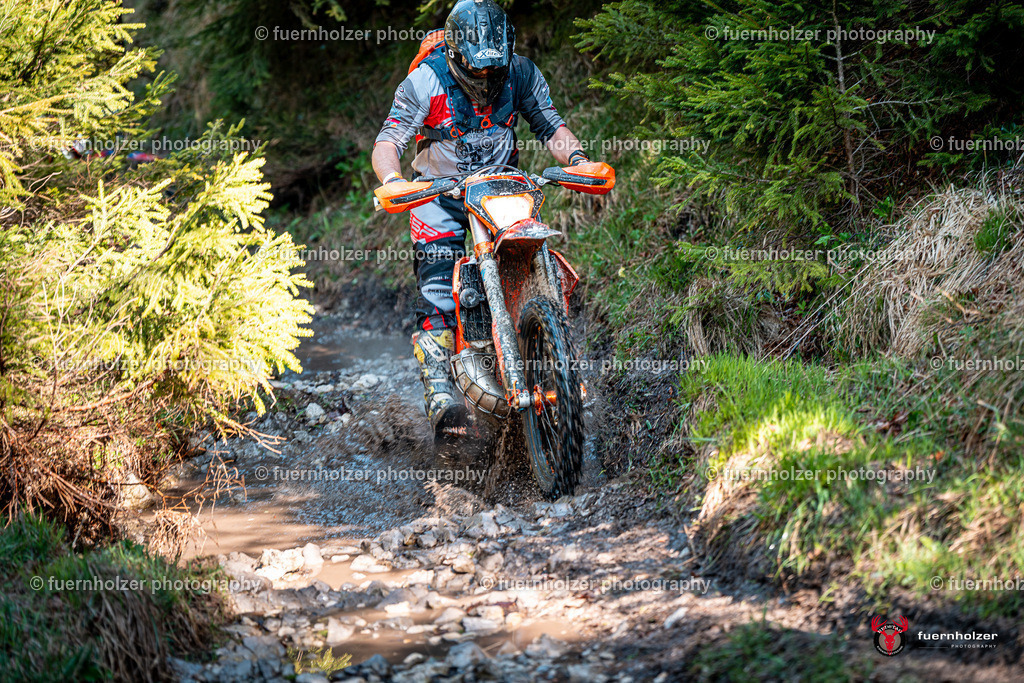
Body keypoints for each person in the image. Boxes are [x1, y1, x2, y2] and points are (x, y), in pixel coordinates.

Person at [372, 0, 593, 439]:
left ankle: (549, 350)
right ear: (456, 56)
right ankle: (441, 396)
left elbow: (551, 126)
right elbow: (389, 140)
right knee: (439, 289)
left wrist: (579, 161)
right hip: (438, 195)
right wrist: (393, 180)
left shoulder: (521, 73)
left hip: (500, 189)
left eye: (495, 71)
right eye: (478, 71)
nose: (487, 80)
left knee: (530, 259)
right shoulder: (425, 79)